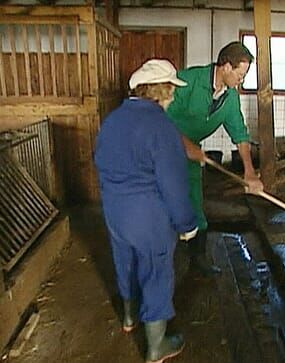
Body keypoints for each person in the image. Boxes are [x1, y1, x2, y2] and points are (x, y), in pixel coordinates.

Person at [94, 59, 197, 363]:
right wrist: (186, 223)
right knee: (155, 271)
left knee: (124, 261)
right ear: (161, 90)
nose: (174, 96)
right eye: (172, 90)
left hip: (114, 210)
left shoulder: (111, 120)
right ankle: (156, 347)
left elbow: (100, 160)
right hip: (148, 217)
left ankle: (129, 319)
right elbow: (174, 184)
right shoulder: (161, 127)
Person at [167, 41, 264, 276]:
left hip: (192, 155)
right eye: (240, 74)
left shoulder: (230, 98)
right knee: (161, 204)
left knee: (195, 204)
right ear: (226, 67)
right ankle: (159, 260)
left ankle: (197, 259)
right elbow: (159, 119)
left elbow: (239, 134)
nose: (242, 80)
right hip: (161, 151)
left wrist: (249, 171)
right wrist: (187, 146)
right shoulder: (187, 81)